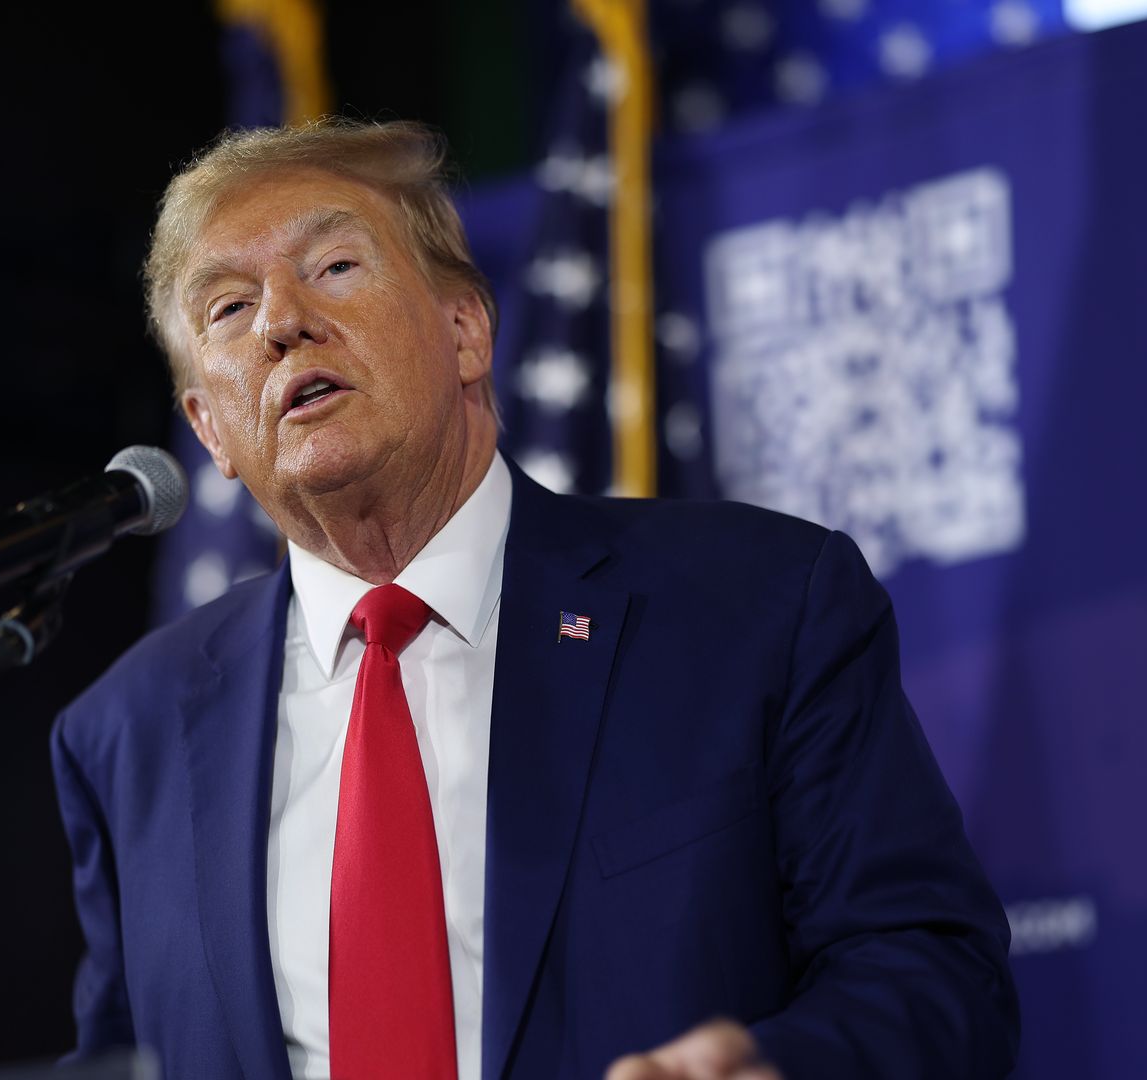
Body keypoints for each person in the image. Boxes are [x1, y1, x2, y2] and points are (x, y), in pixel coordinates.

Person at [51, 117, 1020, 1080]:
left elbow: (937, 976)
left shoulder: (760, 610)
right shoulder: (127, 735)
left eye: (335, 265)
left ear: (465, 329)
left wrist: (779, 1067)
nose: (280, 321)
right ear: (208, 429)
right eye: (227, 309)